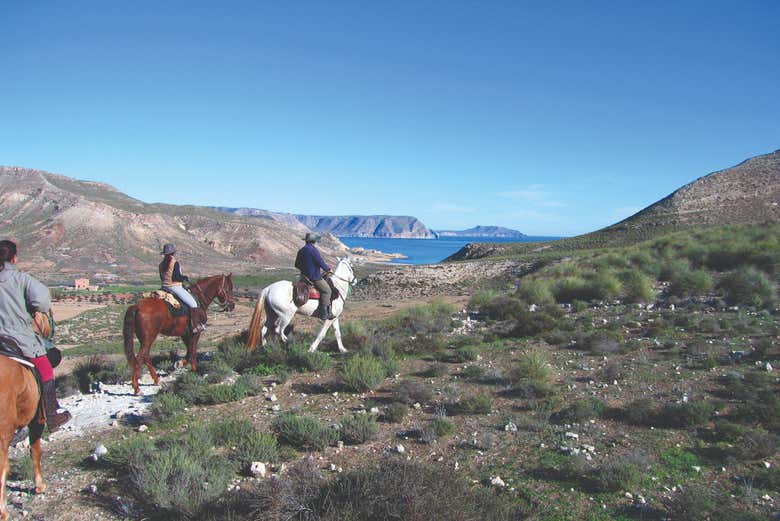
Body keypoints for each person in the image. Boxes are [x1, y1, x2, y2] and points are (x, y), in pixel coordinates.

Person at [0, 239, 71, 432]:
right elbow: (42, 303)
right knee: (46, 370)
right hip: (19, 339)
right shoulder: (22, 279)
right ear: (14, 258)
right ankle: (52, 417)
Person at [159, 243, 206, 332]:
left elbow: (162, 277)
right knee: (193, 304)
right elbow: (176, 277)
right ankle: (195, 326)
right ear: (173, 253)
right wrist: (184, 278)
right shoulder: (174, 263)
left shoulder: (161, 264)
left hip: (164, 287)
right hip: (174, 287)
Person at [295, 233, 336, 320]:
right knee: (327, 290)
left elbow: (296, 264)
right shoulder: (314, 250)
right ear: (314, 241)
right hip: (314, 277)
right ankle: (324, 313)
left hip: (303, 277)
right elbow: (320, 262)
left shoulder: (301, 250)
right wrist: (328, 269)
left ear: (306, 241)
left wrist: (304, 270)